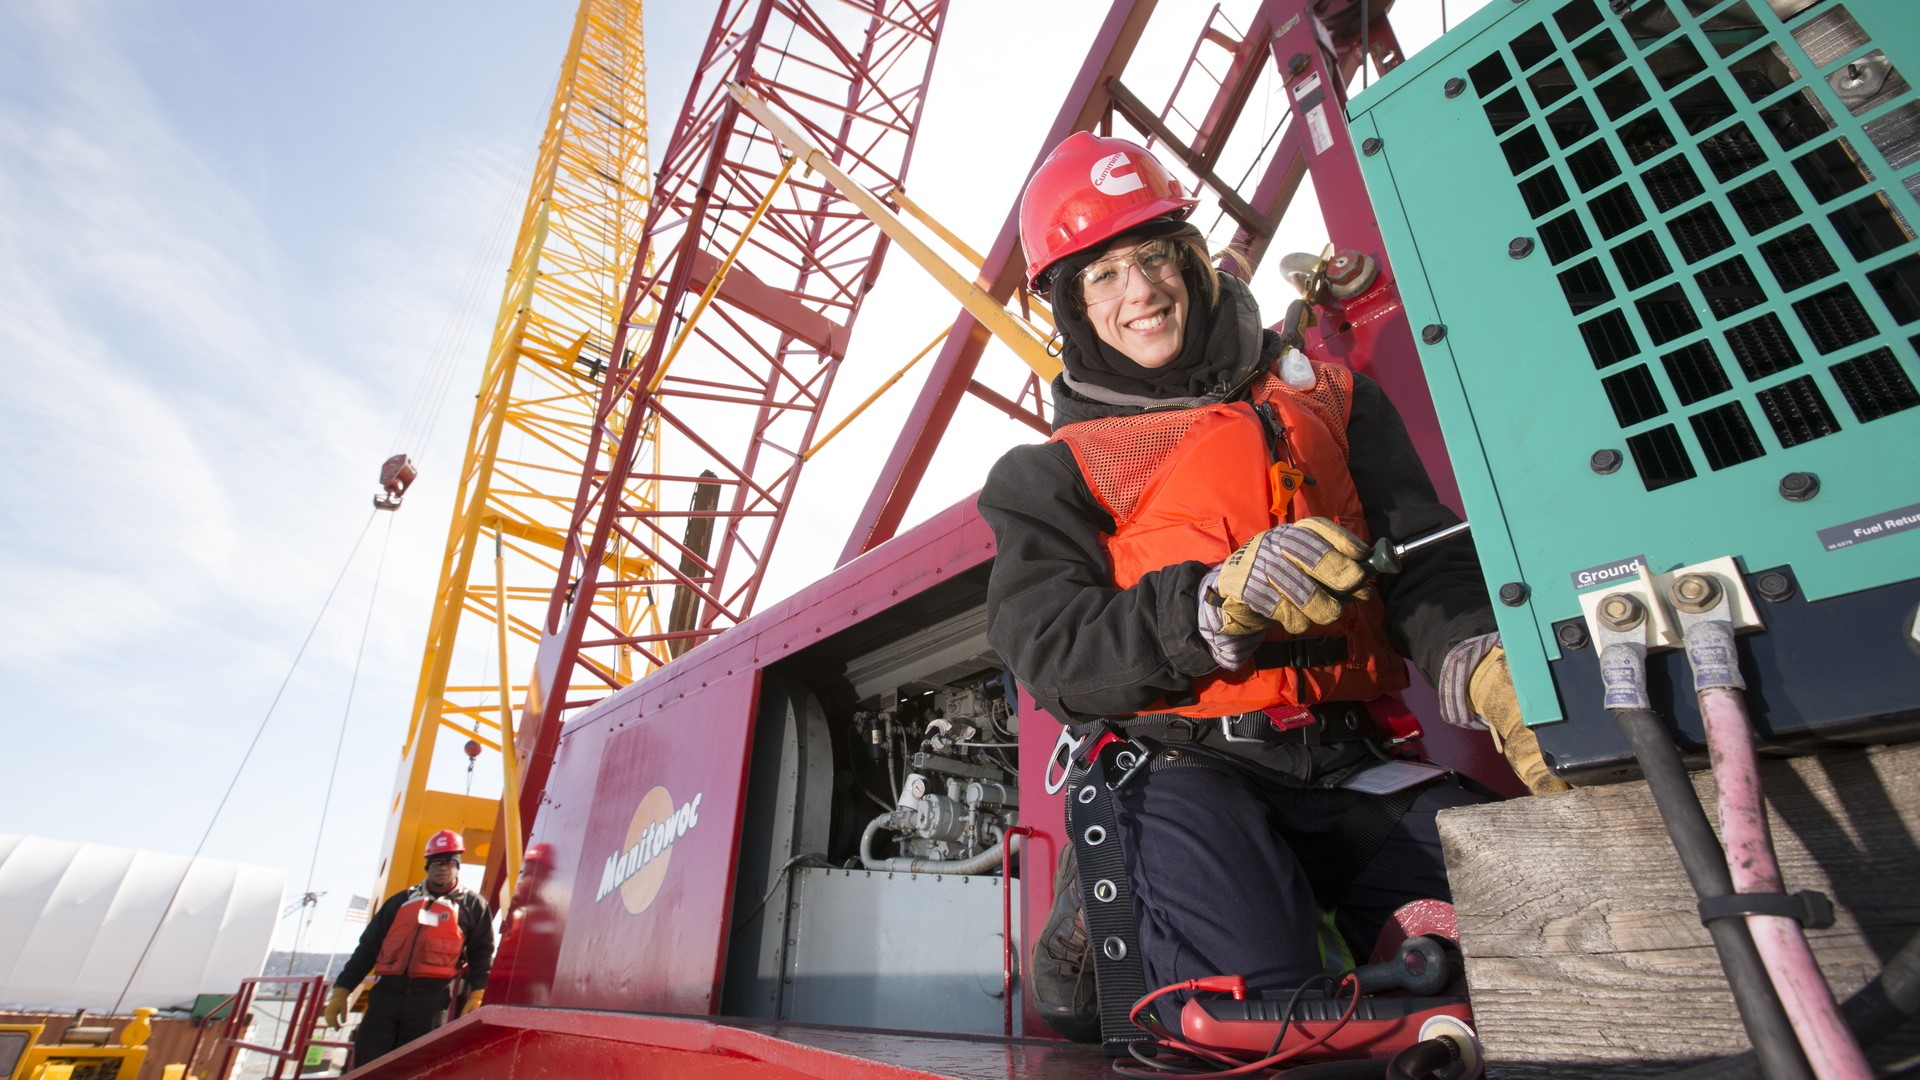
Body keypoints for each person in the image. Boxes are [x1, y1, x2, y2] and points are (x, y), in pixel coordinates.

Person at [977, 132, 1566, 1042]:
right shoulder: (1047, 473)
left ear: (1192, 258)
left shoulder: (1332, 401)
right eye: (1101, 274)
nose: (1139, 292)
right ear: (1068, 304)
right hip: (1188, 767)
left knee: (1553, 934)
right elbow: (1053, 648)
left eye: (1153, 255)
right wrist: (1216, 605)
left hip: (1347, 762)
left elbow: (1426, 558)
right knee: (1273, 1025)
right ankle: (1105, 913)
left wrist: (1483, 663)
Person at [323, 829, 496, 1062]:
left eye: (448, 862)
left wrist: (478, 993)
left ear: (457, 865)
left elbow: (481, 954)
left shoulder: (474, 906)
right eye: (435, 862)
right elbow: (367, 948)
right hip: (386, 995)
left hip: (431, 1001)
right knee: (369, 1061)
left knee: (416, 1065)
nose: (442, 867)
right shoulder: (400, 902)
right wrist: (342, 990)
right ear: (427, 865)